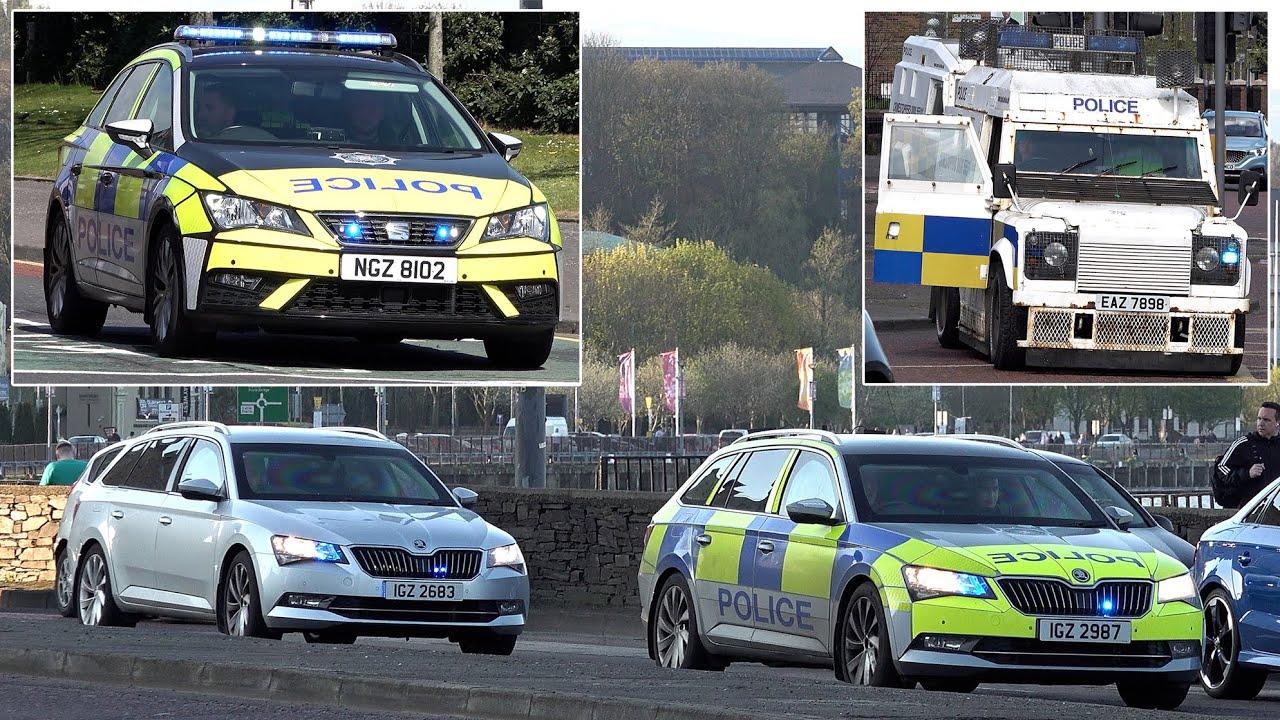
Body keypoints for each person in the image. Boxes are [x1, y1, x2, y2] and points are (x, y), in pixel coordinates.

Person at [1219, 402, 1280, 506]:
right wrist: (1247, 473)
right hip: (1249, 510)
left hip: (1276, 508)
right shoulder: (1244, 444)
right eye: (1259, 418)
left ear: (1277, 423)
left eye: (1266, 420)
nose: (1261, 423)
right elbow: (1221, 468)